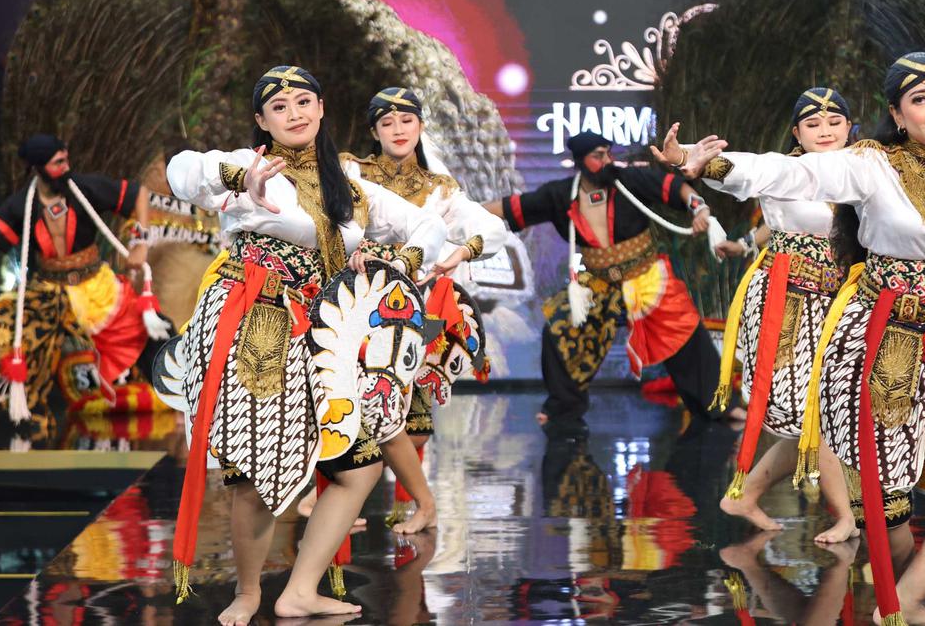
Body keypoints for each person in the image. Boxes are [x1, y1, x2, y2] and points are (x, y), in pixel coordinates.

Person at [655, 51, 925, 626]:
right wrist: (709, 164)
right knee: (890, 513)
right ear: (897, 115)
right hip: (884, 344)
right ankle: (896, 602)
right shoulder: (871, 164)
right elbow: (796, 174)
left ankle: (900, 604)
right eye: (920, 98)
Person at [163, 65, 445, 625]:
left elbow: (428, 230)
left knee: (359, 466)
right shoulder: (251, 166)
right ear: (261, 121)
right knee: (256, 472)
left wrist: (397, 259)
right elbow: (182, 171)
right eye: (280, 106)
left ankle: (299, 590)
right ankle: (248, 594)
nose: (294, 113)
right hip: (258, 323)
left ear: (320, 110)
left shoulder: (353, 190)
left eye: (303, 102)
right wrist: (240, 181)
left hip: (323, 335)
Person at [299, 86, 505, 523]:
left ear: (421, 127)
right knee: (334, 401)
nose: (398, 129)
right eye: (387, 122)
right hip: (351, 303)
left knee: (403, 419)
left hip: (404, 315)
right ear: (374, 130)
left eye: (406, 120)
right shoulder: (349, 171)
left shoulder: (439, 191)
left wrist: (461, 252)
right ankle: (332, 498)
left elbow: (489, 227)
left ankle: (417, 503)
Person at [484, 131, 727, 431]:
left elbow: (676, 187)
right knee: (558, 331)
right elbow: (510, 208)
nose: (606, 161)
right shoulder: (560, 195)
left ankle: (720, 408)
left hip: (645, 277)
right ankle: (563, 408)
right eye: (598, 156)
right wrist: (460, 213)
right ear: (580, 162)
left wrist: (698, 208)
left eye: (608, 153)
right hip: (597, 285)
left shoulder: (629, 182)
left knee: (686, 334)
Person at [709, 87, 856, 543]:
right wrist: (695, 161)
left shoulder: (865, 172)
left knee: (824, 413)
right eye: (813, 124)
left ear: (850, 126)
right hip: (786, 300)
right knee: (819, 414)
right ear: (797, 132)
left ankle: (745, 494)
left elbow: (770, 226)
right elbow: (739, 175)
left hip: (837, 301)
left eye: (834, 122)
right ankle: (847, 516)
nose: (825, 130)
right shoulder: (783, 168)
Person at [0, 133, 163, 432]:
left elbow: (139, 193)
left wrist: (141, 242)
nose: (66, 166)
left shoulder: (84, 188)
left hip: (95, 287)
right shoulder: (20, 205)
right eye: (58, 163)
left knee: (151, 330)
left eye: (66, 159)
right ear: (39, 168)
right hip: (45, 292)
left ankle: (176, 398)